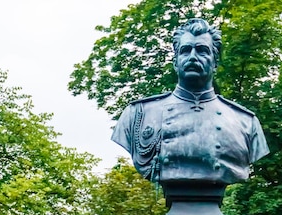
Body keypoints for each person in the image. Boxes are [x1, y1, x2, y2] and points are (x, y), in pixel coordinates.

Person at [112, 18, 269, 196]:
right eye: (185, 50)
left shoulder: (245, 122)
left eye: (202, 50)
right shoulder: (138, 114)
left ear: (215, 62)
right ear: (175, 62)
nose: (193, 56)